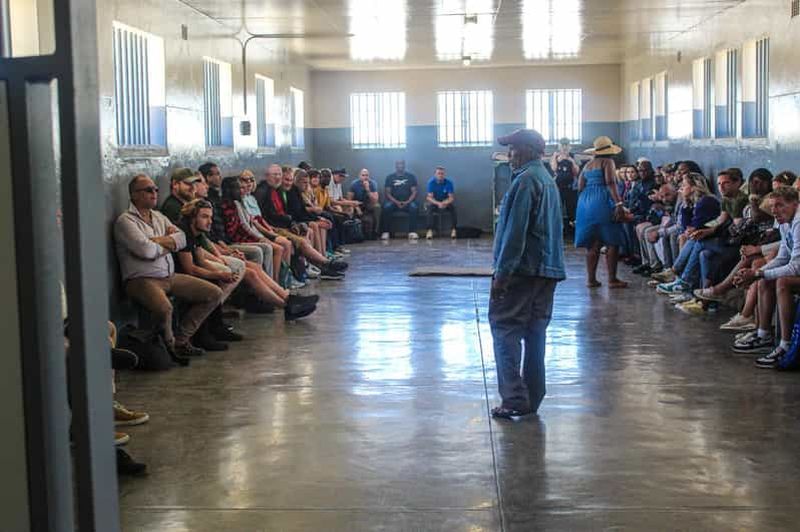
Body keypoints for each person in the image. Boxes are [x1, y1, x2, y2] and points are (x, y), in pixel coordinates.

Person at [489, 129, 566, 420]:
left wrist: (502, 275)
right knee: (535, 333)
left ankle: (513, 398)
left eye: (513, 150)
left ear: (529, 151)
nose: (509, 156)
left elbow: (515, 233)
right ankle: (533, 396)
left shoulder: (525, 181)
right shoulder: (546, 179)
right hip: (547, 271)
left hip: (522, 271)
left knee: (505, 328)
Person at [114, 174, 223, 358]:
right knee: (165, 308)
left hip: (168, 276)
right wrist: (167, 243)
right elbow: (146, 251)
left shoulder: (158, 217)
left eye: (156, 189)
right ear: (134, 195)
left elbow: (182, 239)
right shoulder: (125, 221)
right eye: (148, 190)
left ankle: (182, 339)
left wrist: (156, 242)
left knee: (213, 293)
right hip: (141, 280)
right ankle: (169, 348)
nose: (154, 193)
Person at [732, 187, 800, 368]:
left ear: (795, 204)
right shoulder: (785, 222)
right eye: (772, 206)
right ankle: (763, 334)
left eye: (780, 205)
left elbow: (795, 267)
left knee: (782, 282)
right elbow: (782, 258)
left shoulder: (799, 222)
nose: (774, 210)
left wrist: (756, 273)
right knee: (764, 278)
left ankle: (785, 345)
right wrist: (756, 274)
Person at [574, 136, 628, 289]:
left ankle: (591, 280)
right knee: (613, 240)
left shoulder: (588, 165)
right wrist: (618, 204)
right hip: (603, 200)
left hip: (585, 202)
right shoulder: (608, 162)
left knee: (593, 243)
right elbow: (610, 182)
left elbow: (579, 186)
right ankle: (612, 279)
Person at [380, 160, 419, 240]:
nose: (400, 165)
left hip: (408, 202)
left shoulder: (411, 177)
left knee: (414, 207)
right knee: (386, 207)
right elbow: (388, 193)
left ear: (404, 165)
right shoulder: (390, 177)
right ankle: (386, 232)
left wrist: (407, 202)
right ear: (395, 165)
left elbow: (414, 192)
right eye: (398, 164)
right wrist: (396, 202)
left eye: (402, 164)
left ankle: (412, 232)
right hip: (393, 202)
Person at [550, 138, 580, 226]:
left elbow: (576, 172)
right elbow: (554, 169)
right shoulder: (555, 156)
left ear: (569, 147)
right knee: (557, 208)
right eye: (562, 145)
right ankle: (558, 227)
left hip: (571, 187)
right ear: (559, 146)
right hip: (558, 187)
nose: (564, 147)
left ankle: (573, 226)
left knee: (572, 208)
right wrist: (556, 159)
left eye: (566, 145)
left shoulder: (574, 156)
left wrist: (572, 161)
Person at [425, 166, 457, 239]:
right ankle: (429, 230)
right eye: (438, 173)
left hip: (445, 202)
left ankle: (453, 230)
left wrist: (445, 203)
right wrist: (438, 203)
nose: (440, 175)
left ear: (444, 175)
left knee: (453, 208)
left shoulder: (449, 183)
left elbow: (451, 198)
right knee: (429, 208)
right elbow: (429, 197)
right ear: (435, 174)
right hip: (435, 202)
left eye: (442, 173)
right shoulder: (431, 182)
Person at [348, 168, 381, 239]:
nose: (365, 177)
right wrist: (356, 207)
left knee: (376, 207)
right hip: (356, 204)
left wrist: (368, 189)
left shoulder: (372, 183)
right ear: (359, 176)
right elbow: (349, 199)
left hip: (368, 205)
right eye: (363, 175)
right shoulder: (354, 184)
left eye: (367, 175)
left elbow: (375, 200)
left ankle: (374, 233)